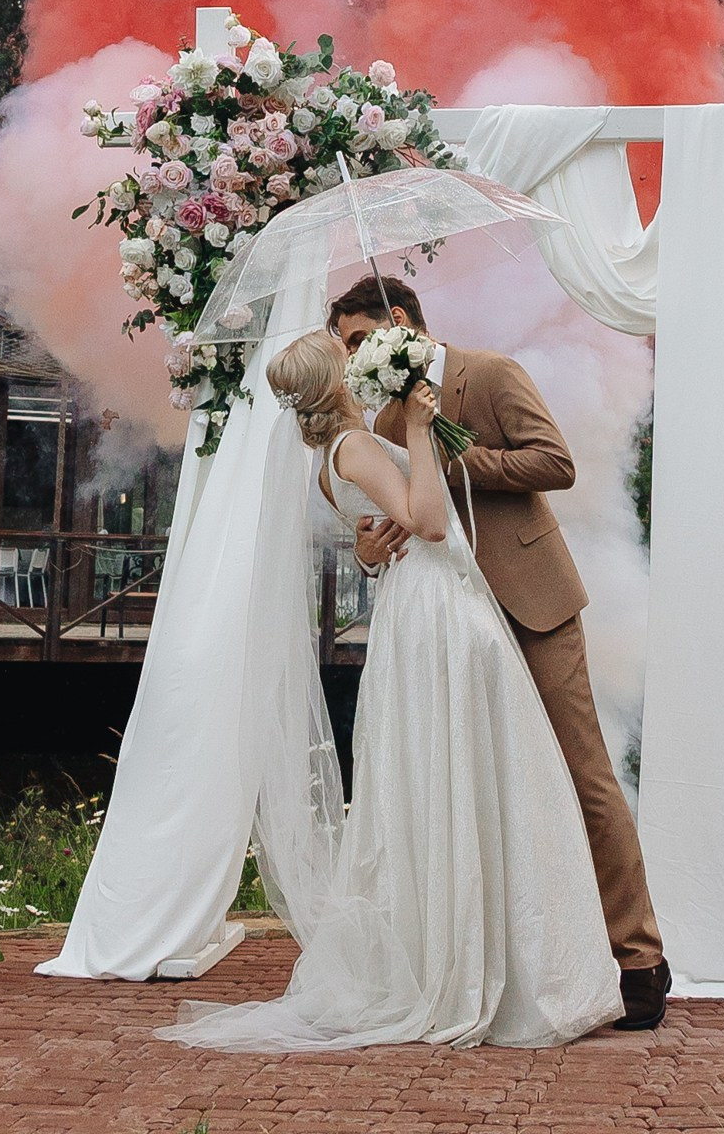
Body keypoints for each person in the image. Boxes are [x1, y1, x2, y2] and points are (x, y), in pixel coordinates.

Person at [158, 325, 620, 1053]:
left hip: (426, 611)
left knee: (459, 780)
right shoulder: (360, 445)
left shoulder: (333, 455)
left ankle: (484, 949)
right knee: (481, 775)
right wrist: (419, 429)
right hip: (440, 617)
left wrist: (413, 443)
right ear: (332, 381)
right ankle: (480, 969)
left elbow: (388, 526)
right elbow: (430, 523)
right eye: (342, 355)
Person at [332, 275, 671, 1031]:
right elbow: (399, 522)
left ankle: (639, 955)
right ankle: (525, 960)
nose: (351, 357)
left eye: (357, 340)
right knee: (484, 792)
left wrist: (452, 456)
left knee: (584, 776)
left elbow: (554, 463)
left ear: (396, 321)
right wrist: (368, 546)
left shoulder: (486, 374)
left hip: (530, 604)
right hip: (449, 623)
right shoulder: (381, 414)